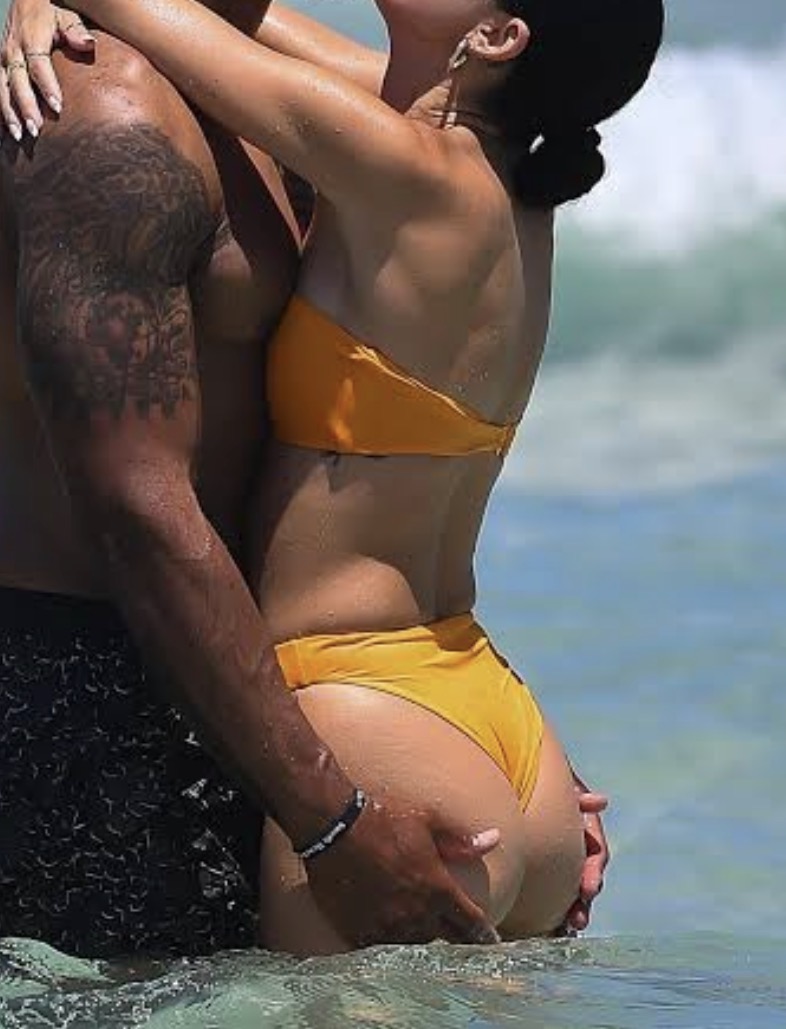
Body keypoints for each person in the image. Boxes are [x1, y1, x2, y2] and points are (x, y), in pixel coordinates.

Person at [0, 0, 517, 958]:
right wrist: (331, 819)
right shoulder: (108, 109)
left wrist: (482, 752)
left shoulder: (266, 98)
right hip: (80, 695)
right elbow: (133, 509)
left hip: (239, 694)